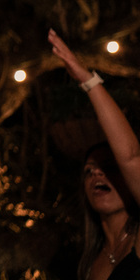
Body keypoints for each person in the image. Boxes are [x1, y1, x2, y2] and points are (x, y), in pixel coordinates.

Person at [49, 29, 140, 280]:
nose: (96, 173)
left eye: (109, 167)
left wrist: (88, 81)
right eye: (89, 171)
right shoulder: (88, 265)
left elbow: (131, 157)